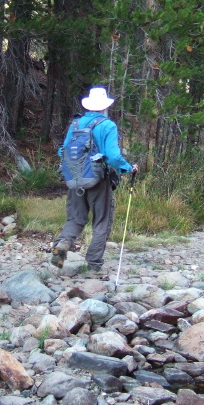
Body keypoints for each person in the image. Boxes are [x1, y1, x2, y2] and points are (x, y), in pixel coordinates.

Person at [51, 86, 137, 274]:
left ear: (89, 105)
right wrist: (129, 168)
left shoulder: (75, 124)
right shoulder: (107, 125)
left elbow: (61, 151)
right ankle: (94, 264)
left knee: (75, 218)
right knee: (101, 221)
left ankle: (63, 244)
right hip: (98, 180)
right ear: (105, 106)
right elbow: (113, 156)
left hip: (75, 179)